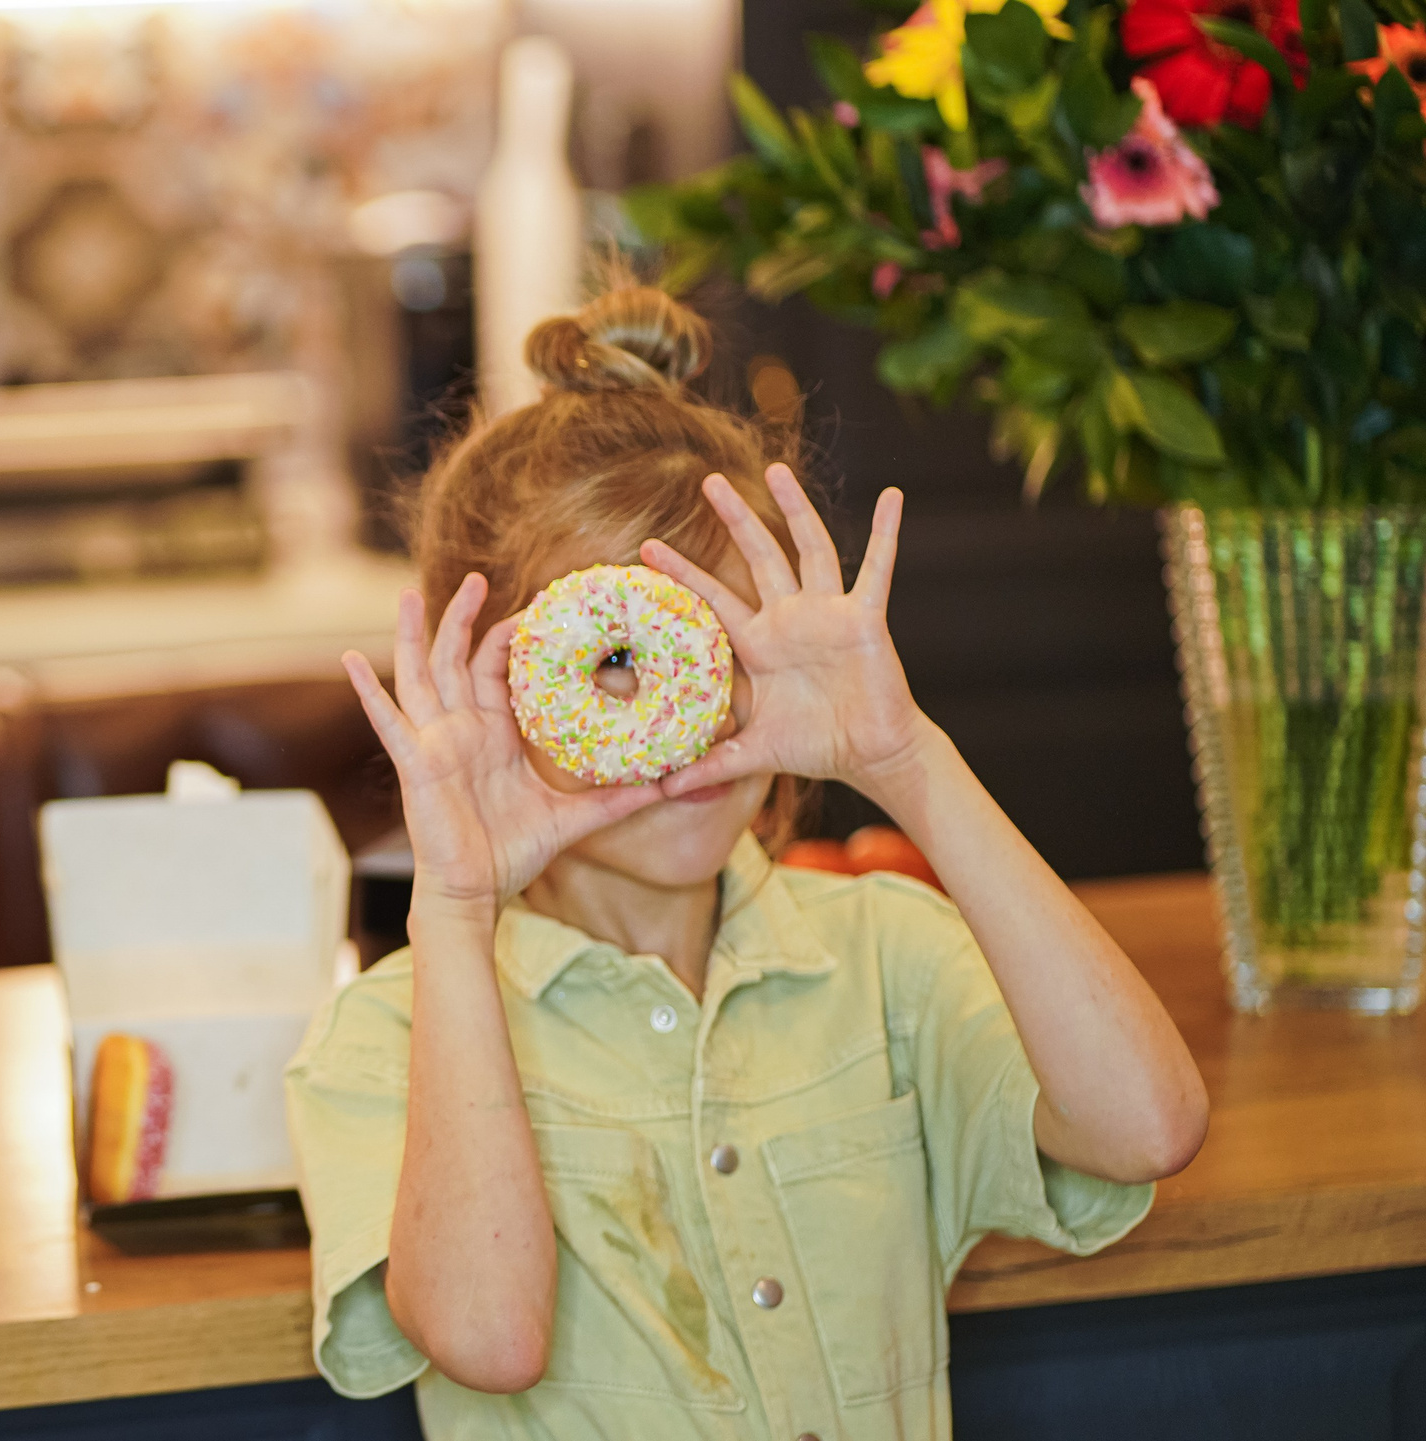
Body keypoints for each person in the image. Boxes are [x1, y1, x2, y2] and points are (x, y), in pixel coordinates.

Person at [284, 286, 1208, 1440]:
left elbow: (1147, 1127)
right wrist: (460, 913)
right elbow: (490, 1338)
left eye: (719, 649)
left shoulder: (882, 959)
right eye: (620, 661)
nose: (689, 720)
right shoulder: (387, 1041)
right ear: (483, 681)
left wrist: (907, 760)